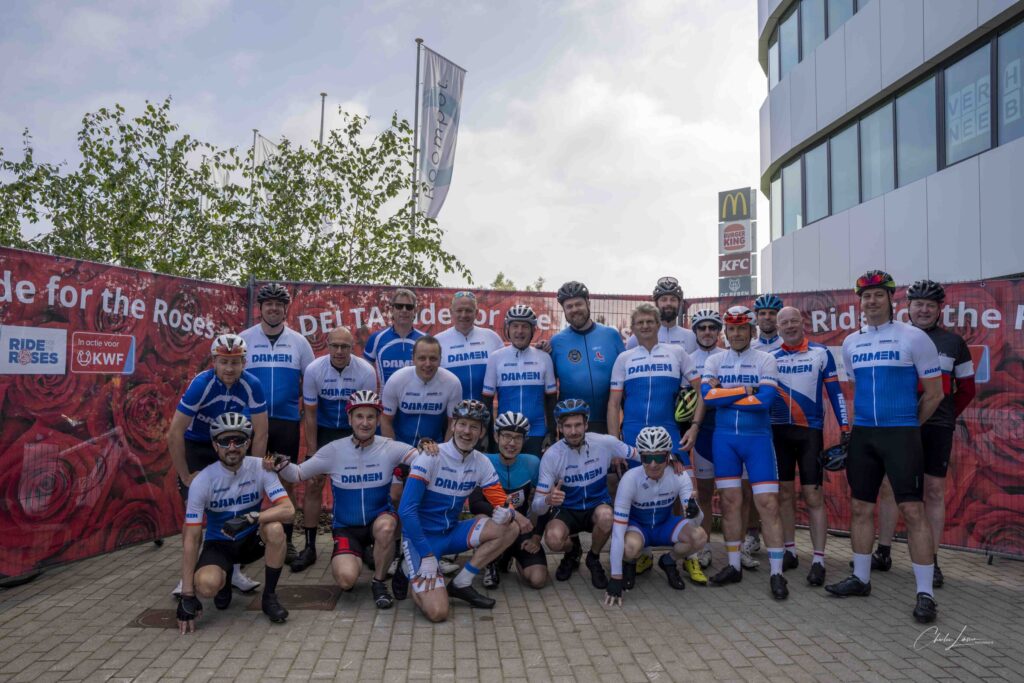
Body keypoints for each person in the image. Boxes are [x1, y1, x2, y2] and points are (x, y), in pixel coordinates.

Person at [825, 270, 944, 624]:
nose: (872, 301)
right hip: (864, 435)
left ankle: (925, 593)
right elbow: (856, 386)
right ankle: (861, 579)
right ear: (858, 303)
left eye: (879, 295)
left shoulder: (914, 337)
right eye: (866, 296)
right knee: (860, 509)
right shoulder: (850, 343)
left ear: (892, 299)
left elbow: (935, 394)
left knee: (913, 513)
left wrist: (909, 427)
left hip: (901, 434)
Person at [273, 391, 431, 608]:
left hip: (379, 520)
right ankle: (356, 557)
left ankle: (378, 582)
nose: (365, 423)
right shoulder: (334, 450)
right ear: (349, 419)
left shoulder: (390, 447)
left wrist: (427, 447)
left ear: (377, 420)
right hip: (346, 527)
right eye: (359, 416)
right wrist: (277, 463)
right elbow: (297, 474)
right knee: (346, 580)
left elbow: (423, 460)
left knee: (386, 527)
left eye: (370, 417)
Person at [872, 279, 976, 588]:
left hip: (936, 429)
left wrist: (943, 417)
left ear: (940, 309)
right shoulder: (895, 337)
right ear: (907, 307)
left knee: (932, 491)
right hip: (898, 425)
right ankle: (883, 551)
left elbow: (967, 390)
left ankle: (932, 559)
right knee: (889, 487)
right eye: (918, 304)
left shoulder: (954, 343)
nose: (924, 310)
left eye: (930, 305)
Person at [398, 400, 524, 622]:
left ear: (483, 431)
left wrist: (509, 512)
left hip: (451, 533)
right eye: (462, 424)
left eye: (474, 426)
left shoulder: (481, 462)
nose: (467, 431)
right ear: (453, 425)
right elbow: (406, 511)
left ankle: (461, 583)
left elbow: (501, 500)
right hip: (422, 540)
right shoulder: (430, 456)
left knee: (510, 528)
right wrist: (426, 556)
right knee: (438, 612)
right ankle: (409, 569)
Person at [168, 333, 268, 595]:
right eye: (223, 362)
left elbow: (261, 432)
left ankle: (233, 570)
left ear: (244, 362)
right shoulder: (202, 384)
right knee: (195, 514)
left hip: (230, 443)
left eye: (235, 362)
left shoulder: (252, 384)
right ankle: (186, 577)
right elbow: (174, 432)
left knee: (237, 505)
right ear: (214, 361)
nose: (229, 368)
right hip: (199, 445)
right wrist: (185, 475)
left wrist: (254, 471)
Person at [176, 412, 294, 633]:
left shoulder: (261, 467)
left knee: (276, 529)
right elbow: (192, 537)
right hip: (219, 545)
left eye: (238, 440)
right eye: (224, 441)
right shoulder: (203, 480)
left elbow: (289, 510)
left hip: (250, 540)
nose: (232, 447)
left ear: (248, 442)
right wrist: (187, 594)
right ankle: (225, 577)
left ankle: (269, 598)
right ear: (215, 445)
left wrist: (254, 517)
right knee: (207, 585)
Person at [701, 306, 789, 600]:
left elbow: (765, 402)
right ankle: (734, 566)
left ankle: (777, 573)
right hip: (724, 440)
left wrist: (725, 394)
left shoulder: (766, 359)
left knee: (768, 505)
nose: (736, 334)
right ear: (725, 331)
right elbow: (706, 398)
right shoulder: (715, 360)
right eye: (732, 329)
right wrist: (746, 389)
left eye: (742, 329)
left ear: (752, 331)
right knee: (729, 503)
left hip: (758, 440)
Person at [771, 306, 850, 587]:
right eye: (784, 322)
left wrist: (844, 427)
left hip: (810, 433)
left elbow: (835, 392)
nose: (790, 326)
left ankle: (818, 559)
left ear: (802, 323)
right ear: (777, 328)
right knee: (783, 495)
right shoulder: (770, 357)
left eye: (794, 321)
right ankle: (790, 551)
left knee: (813, 495)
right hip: (778, 432)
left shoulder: (820, 353)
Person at [291, 327, 377, 572]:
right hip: (324, 429)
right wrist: (313, 453)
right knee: (314, 483)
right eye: (335, 346)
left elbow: (367, 414)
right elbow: (310, 413)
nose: (340, 351)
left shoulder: (365, 371)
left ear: (353, 348)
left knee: (363, 485)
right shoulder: (314, 370)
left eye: (345, 347)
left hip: (353, 430)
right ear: (327, 345)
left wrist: (363, 446)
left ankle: (366, 544)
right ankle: (309, 546)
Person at [240, 282, 315, 564]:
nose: (273, 308)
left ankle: (286, 540)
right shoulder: (244, 338)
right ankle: (245, 539)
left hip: (285, 422)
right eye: (268, 303)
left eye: (278, 304)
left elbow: (309, 383)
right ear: (260, 308)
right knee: (248, 481)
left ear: (286, 309)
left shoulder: (299, 342)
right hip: (250, 423)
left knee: (286, 483)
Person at [531, 399, 641, 588]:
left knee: (607, 517)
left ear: (586, 424)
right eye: (567, 426)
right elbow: (537, 507)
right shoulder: (552, 455)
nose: (573, 431)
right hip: (567, 510)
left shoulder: (605, 442)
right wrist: (548, 499)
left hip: (596, 506)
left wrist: (669, 457)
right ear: (559, 427)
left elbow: (639, 454)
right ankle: (572, 552)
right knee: (553, 540)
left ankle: (594, 557)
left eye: (578, 425)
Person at [604, 427, 708, 606]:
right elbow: (618, 532)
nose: (653, 464)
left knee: (699, 536)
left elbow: (696, 522)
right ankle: (629, 564)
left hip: (664, 525)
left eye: (659, 457)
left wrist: (694, 512)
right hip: (638, 527)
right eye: (646, 458)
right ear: (640, 457)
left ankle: (668, 561)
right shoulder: (630, 479)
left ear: (668, 456)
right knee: (628, 548)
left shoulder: (679, 475)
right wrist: (615, 577)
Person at [608, 303, 702, 467]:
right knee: (637, 488)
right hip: (632, 432)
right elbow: (613, 404)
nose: (645, 326)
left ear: (658, 324)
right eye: (640, 322)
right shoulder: (624, 358)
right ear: (633, 328)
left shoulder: (677, 352)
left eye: (650, 321)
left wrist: (694, 427)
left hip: (669, 430)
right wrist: (615, 444)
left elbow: (702, 392)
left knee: (686, 488)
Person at [467, 412, 549, 590]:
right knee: (480, 516)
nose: (511, 443)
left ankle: (506, 555)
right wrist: (514, 515)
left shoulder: (532, 463)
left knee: (538, 579)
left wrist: (536, 537)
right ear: (496, 436)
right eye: (506, 436)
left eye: (518, 438)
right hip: (495, 527)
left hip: (521, 531)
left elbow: (544, 504)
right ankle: (490, 562)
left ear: (524, 440)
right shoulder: (484, 461)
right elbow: (475, 504)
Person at [541, 281, 625, 435]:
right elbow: (548, 390)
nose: (574, 310)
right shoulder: (556, 342)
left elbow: (626, 381)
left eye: (578, 304)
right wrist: (552, 431)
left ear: (588, 303)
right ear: (564, 310)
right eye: (569, 306)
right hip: (573, 427)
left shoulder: (611, 336)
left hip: (608, 423)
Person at [742, 292, 785, 562]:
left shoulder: (789, 344)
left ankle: (785, 544)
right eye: (763, 313)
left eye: (772, 313)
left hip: (786, 424)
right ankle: (751, 534)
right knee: (750, 486)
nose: (767, 317)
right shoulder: (751, 347)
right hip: (757, 426)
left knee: (784, 489)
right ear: (755, 318)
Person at [482, 304, 557, 456]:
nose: (520, 331)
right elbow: (487, 403)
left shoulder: (544, 357)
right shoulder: (496, 358)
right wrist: (486, 435)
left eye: (525, 326)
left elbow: (551, 400)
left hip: (536, 431)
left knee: (534, 475)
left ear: (533, 330)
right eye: (515, 326)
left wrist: (552, 433)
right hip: (505, 432)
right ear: (507, 329)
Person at [688, 308, 726, 569]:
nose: (707, 332)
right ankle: (705, 546)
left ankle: (742, 544)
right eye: (702, 328)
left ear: (719, 331)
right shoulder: (687, 359)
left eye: (712, 327)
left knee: (733, 494)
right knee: (703, 493)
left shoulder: (728, 357)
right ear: (695, 332)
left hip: (727, 431)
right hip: (702, 433)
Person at [381, 336, 463, 445]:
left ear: (440, 360)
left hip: (435, 448)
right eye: (422, 358)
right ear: (413, 359)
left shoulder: (452, 383)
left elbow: (453, 425)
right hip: (400, 446)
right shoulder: (397, 380)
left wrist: (445, 453)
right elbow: (385, 421)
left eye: (433, 358)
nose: (428, 364)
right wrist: (392, 450)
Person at [436, 291, 504, 403]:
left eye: (468, 310)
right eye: (459, 310)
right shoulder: (438, 341)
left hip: (484, 413)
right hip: (451, 414)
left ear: (476, 312)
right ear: (451, 312)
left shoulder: (492, 338)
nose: (463, 315)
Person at [364, 288, 425, 387]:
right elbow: (364, 374)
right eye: (399, 306)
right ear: (392, 310)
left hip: (419, 401)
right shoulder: (376, 338)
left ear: (415, 311)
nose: (404, 310)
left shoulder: (425, 339)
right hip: (386, 401)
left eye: (409, 307)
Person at [626, 277, 697, 353]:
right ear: (656, 304)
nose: (668, 303)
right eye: (664, 299)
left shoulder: (692, 338)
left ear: (679, 304)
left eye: (673, 300)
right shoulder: (637, 339)